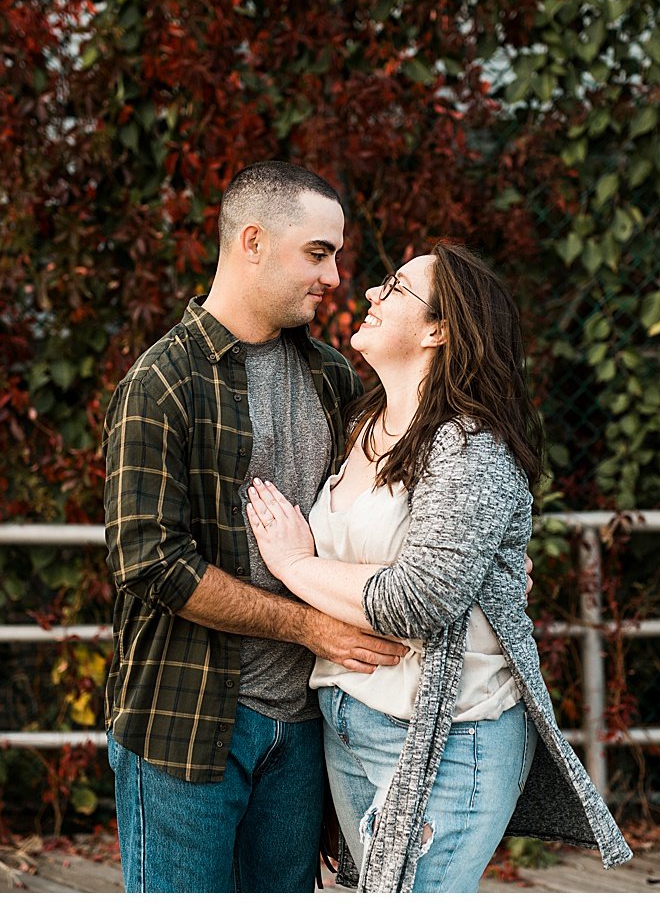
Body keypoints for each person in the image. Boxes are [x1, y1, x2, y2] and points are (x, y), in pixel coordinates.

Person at [244, 242, 633, 892]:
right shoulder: (362, 423)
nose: (369, 293)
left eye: (393, 289)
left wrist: (293, 562)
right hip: (347, 718)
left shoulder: (468, 444)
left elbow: (418, 601)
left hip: (449, 739)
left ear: (439, 328)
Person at [100, 161, 410, 893]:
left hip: (306, 726)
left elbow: (377, 519)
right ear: (252, 242)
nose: (335, 275)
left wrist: (483, 564)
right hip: (187, 726)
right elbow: (150, 563)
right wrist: (307, 625)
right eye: (318, 252)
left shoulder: (333, 378)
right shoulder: (162, 382)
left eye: (333, 254)